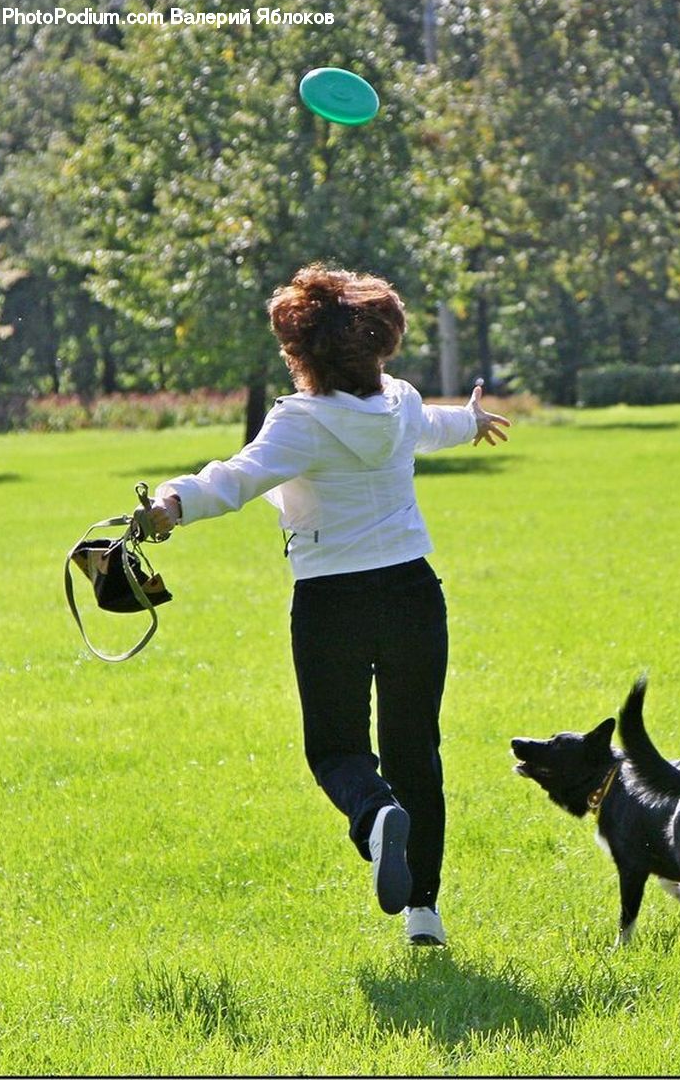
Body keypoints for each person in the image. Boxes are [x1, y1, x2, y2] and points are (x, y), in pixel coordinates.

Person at [149, 264, 509, 946]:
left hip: (332, 601)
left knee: (337, 749)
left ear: (301, 355)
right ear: (379, 345)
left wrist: (170, 504)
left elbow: (234, 479)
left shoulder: (301, 422)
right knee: (415, 751)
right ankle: (424, 912)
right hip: (412, 593)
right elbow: (431, 426)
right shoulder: (399, 401)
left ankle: (374, 817)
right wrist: (471, 420)